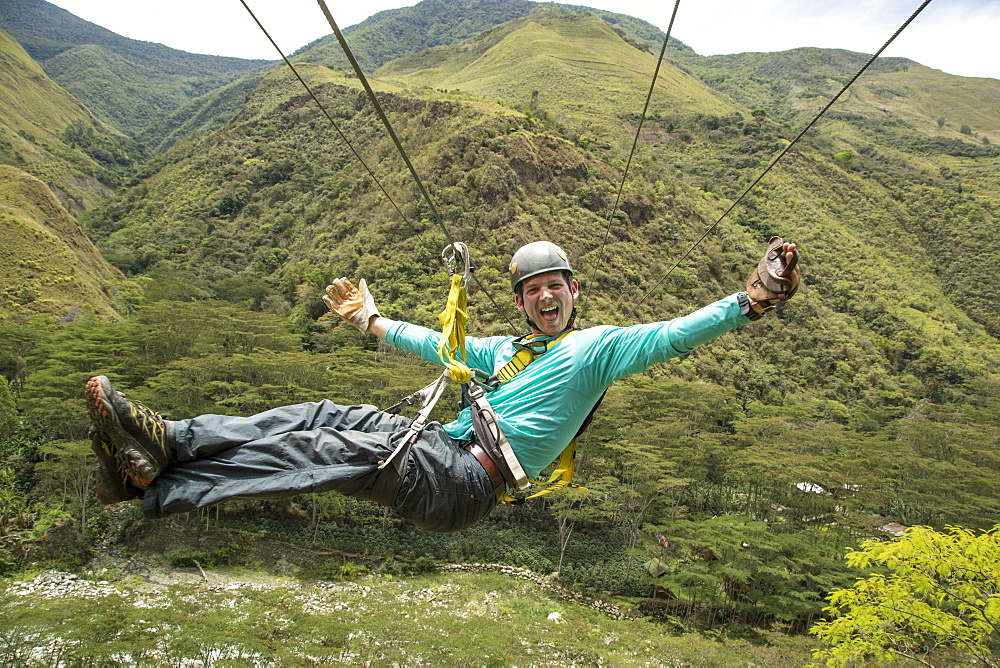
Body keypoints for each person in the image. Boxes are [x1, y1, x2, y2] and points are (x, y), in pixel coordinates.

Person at [86, 238, 800, 533]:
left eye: (556, 288)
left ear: (574, 292)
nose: (547, 299)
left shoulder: (597, 352)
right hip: (440, 449)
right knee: (327, 414)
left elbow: (674, 333)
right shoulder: (502, 351)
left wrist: (754, 299)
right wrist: (369, 320)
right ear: (519, 301)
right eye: (534, 292)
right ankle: (172, 441)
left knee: (330, 450)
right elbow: (437, 343)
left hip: (466, 480)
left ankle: (158, 487)